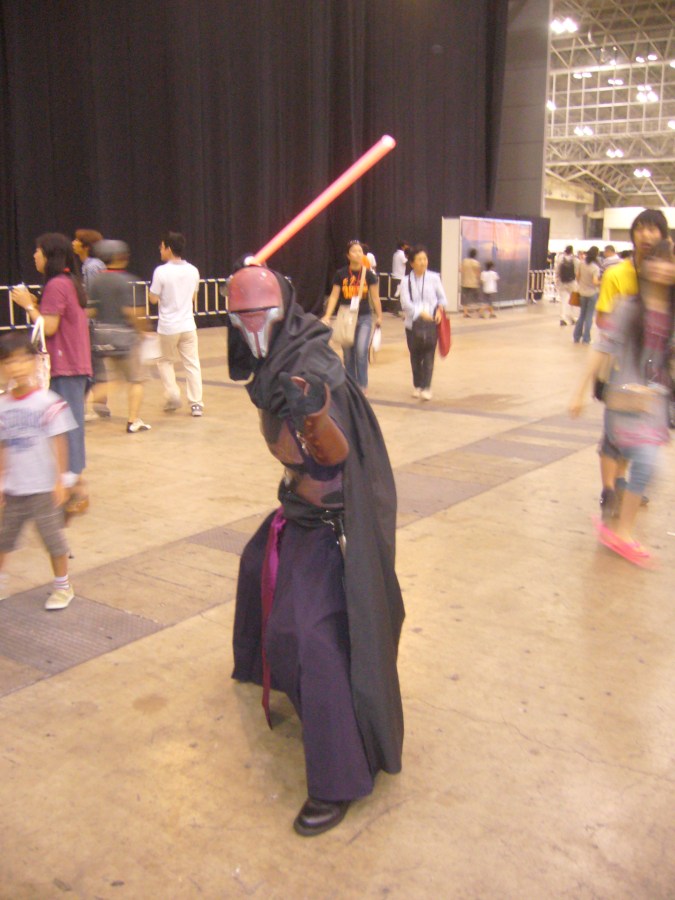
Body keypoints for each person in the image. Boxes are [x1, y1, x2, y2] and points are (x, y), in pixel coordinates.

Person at [226, 261, 404, 837]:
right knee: (256, 563)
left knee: (311, 635)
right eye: (242, 318)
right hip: (298, 509)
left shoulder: (311, 364)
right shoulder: (274, 359)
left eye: (261, 314)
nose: (252, 327)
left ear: (281, 312)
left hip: (334, 524)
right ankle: (259, 665)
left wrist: (315, 417)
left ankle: (339, 777)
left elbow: (335, 453)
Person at [569, 239, 674, 566]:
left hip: (654, 404)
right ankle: (621, 526)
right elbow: (603, 347)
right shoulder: (629, 307)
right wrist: (579, 390)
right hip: (624, 401)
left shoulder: (670, 314)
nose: (663, 267)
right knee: (647, 461)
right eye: (656, 260)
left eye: (669, 261)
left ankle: (620, 525)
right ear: (645, 266)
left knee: (648, 468)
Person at [592, 209, 670, 520]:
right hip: (620, 368)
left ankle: (626, 484)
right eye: (641, 229)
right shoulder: (617, 275)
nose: (646, 235)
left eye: (654, 230)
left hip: (653, 377)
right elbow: (602, 319)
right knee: (614, 437)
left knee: (641, 435)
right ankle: (611, 488)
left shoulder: (667, 273)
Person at [11, 233, 92, 518]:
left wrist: (28, 305)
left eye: (38, 251)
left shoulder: (57, 284)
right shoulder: (67, 282)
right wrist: (36, 303)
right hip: (73, 363)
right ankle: (71, 486)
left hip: (65, 365)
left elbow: (49, 327)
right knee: (66, 425)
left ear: (49, 255)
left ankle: (74, 490)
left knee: (66, 428)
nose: (34, 256)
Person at [0, 331, 77, 609]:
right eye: (9, 362)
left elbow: (60, 441)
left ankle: (63, 586)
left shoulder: (48, 402)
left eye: (23, 360)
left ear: (35, 363)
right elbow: (3, 446)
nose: (17, 367)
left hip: (44, 488)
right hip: (15, 488)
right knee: (4, 539)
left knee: (53, 540)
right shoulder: (2, 406)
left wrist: (60, 480)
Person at [88, 240, 151, 434]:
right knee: (136, 380)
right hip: (125, 338)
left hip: (102, 337)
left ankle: (81, 402)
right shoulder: (127, 281)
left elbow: (90, 310)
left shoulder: (96, 281)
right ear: (121, 257)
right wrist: (143, 331)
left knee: (117, 379)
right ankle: (133, 420)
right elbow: (132, 312)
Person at [148, 232, 204, 417]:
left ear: (169, 249)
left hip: (168, 326)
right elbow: (193, 297)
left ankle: (173, 394)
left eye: (162, 247)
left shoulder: (161, 271)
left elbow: (153, 299)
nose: (160, 250)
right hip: (188, 324)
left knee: (164, 360)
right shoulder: (193, 270)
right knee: (192, 363)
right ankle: (196, 403)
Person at [322, 240, 383, 393]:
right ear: (348, 255)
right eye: (354, 251)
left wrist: (380, 316)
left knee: (361, 350)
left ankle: (362, 385)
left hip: (364, 317)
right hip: (345, 317)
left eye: (360, 251)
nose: (358, 253)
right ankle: (351, 384)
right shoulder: (340, 274)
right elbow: (334, 296)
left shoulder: (369, 275)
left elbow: (375, 297)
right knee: (348, 354)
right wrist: (327, 315)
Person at [399, 245, 447, 400]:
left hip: (430, 323)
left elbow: (442, 298)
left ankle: (427, 387)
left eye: (425, 259)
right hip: (412, 323)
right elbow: (405, 303)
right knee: (415, 355)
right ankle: (417, 385)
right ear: (412, 263)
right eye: (419, 259)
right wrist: (420, 313)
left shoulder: (434, 278)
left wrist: (439, 310)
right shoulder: (406, 281)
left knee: (429, 355)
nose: (423, 262)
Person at [73, 229, 110, 419]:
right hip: (92, 321)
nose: (73, 243)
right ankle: (98, 403)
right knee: (94, 362)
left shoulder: (92, 266)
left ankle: (99, 403)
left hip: (93, 323)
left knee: (93, 361)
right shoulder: (90, 265)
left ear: (86, 246)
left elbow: (96, 297)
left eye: (77, 240)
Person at [573, 245, 601, 344]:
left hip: (582, 293)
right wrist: (602, 282)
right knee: (589, 316)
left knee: (581, 315)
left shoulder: (581, 264)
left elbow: (577, 276)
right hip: (592, 293)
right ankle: (586, 338)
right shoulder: (595, 268)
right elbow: (595, 282)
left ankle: (576, 336)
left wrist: (581, 284)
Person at [556, 245, 579, 327]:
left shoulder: (560, 259)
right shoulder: (575, 260)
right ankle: (574, 317)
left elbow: (557, 271)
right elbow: (577, 272)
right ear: (572, 251)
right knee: (574, 300)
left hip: (562, 282)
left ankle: (563, 318)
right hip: (572, 282)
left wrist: (557, 279)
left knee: (563, 300)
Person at [460, 248, 481, 317]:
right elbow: (478, 273)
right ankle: (480, 312)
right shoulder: (476, 263)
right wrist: (479, 281)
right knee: (477, 298)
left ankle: (465, 313)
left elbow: (460, 270)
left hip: (465, 282)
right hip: (474, 283)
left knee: (465, 299)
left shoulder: (464, 261)